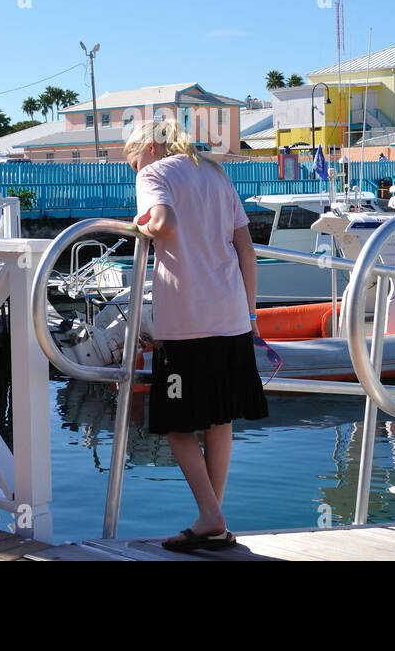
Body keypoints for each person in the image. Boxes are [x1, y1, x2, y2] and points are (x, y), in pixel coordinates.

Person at [126, 119, 268, 551]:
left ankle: (210, 516)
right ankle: (215, 522)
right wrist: (249, 312)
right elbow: (246, 250)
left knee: (176, 426)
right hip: (231, 318)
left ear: (150, 147)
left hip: (186, 324)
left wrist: (140, 226)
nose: (135, 168)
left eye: (133, 160)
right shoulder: (215, 173)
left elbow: (164, 223)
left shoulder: (154, 175)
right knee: (218, 421)